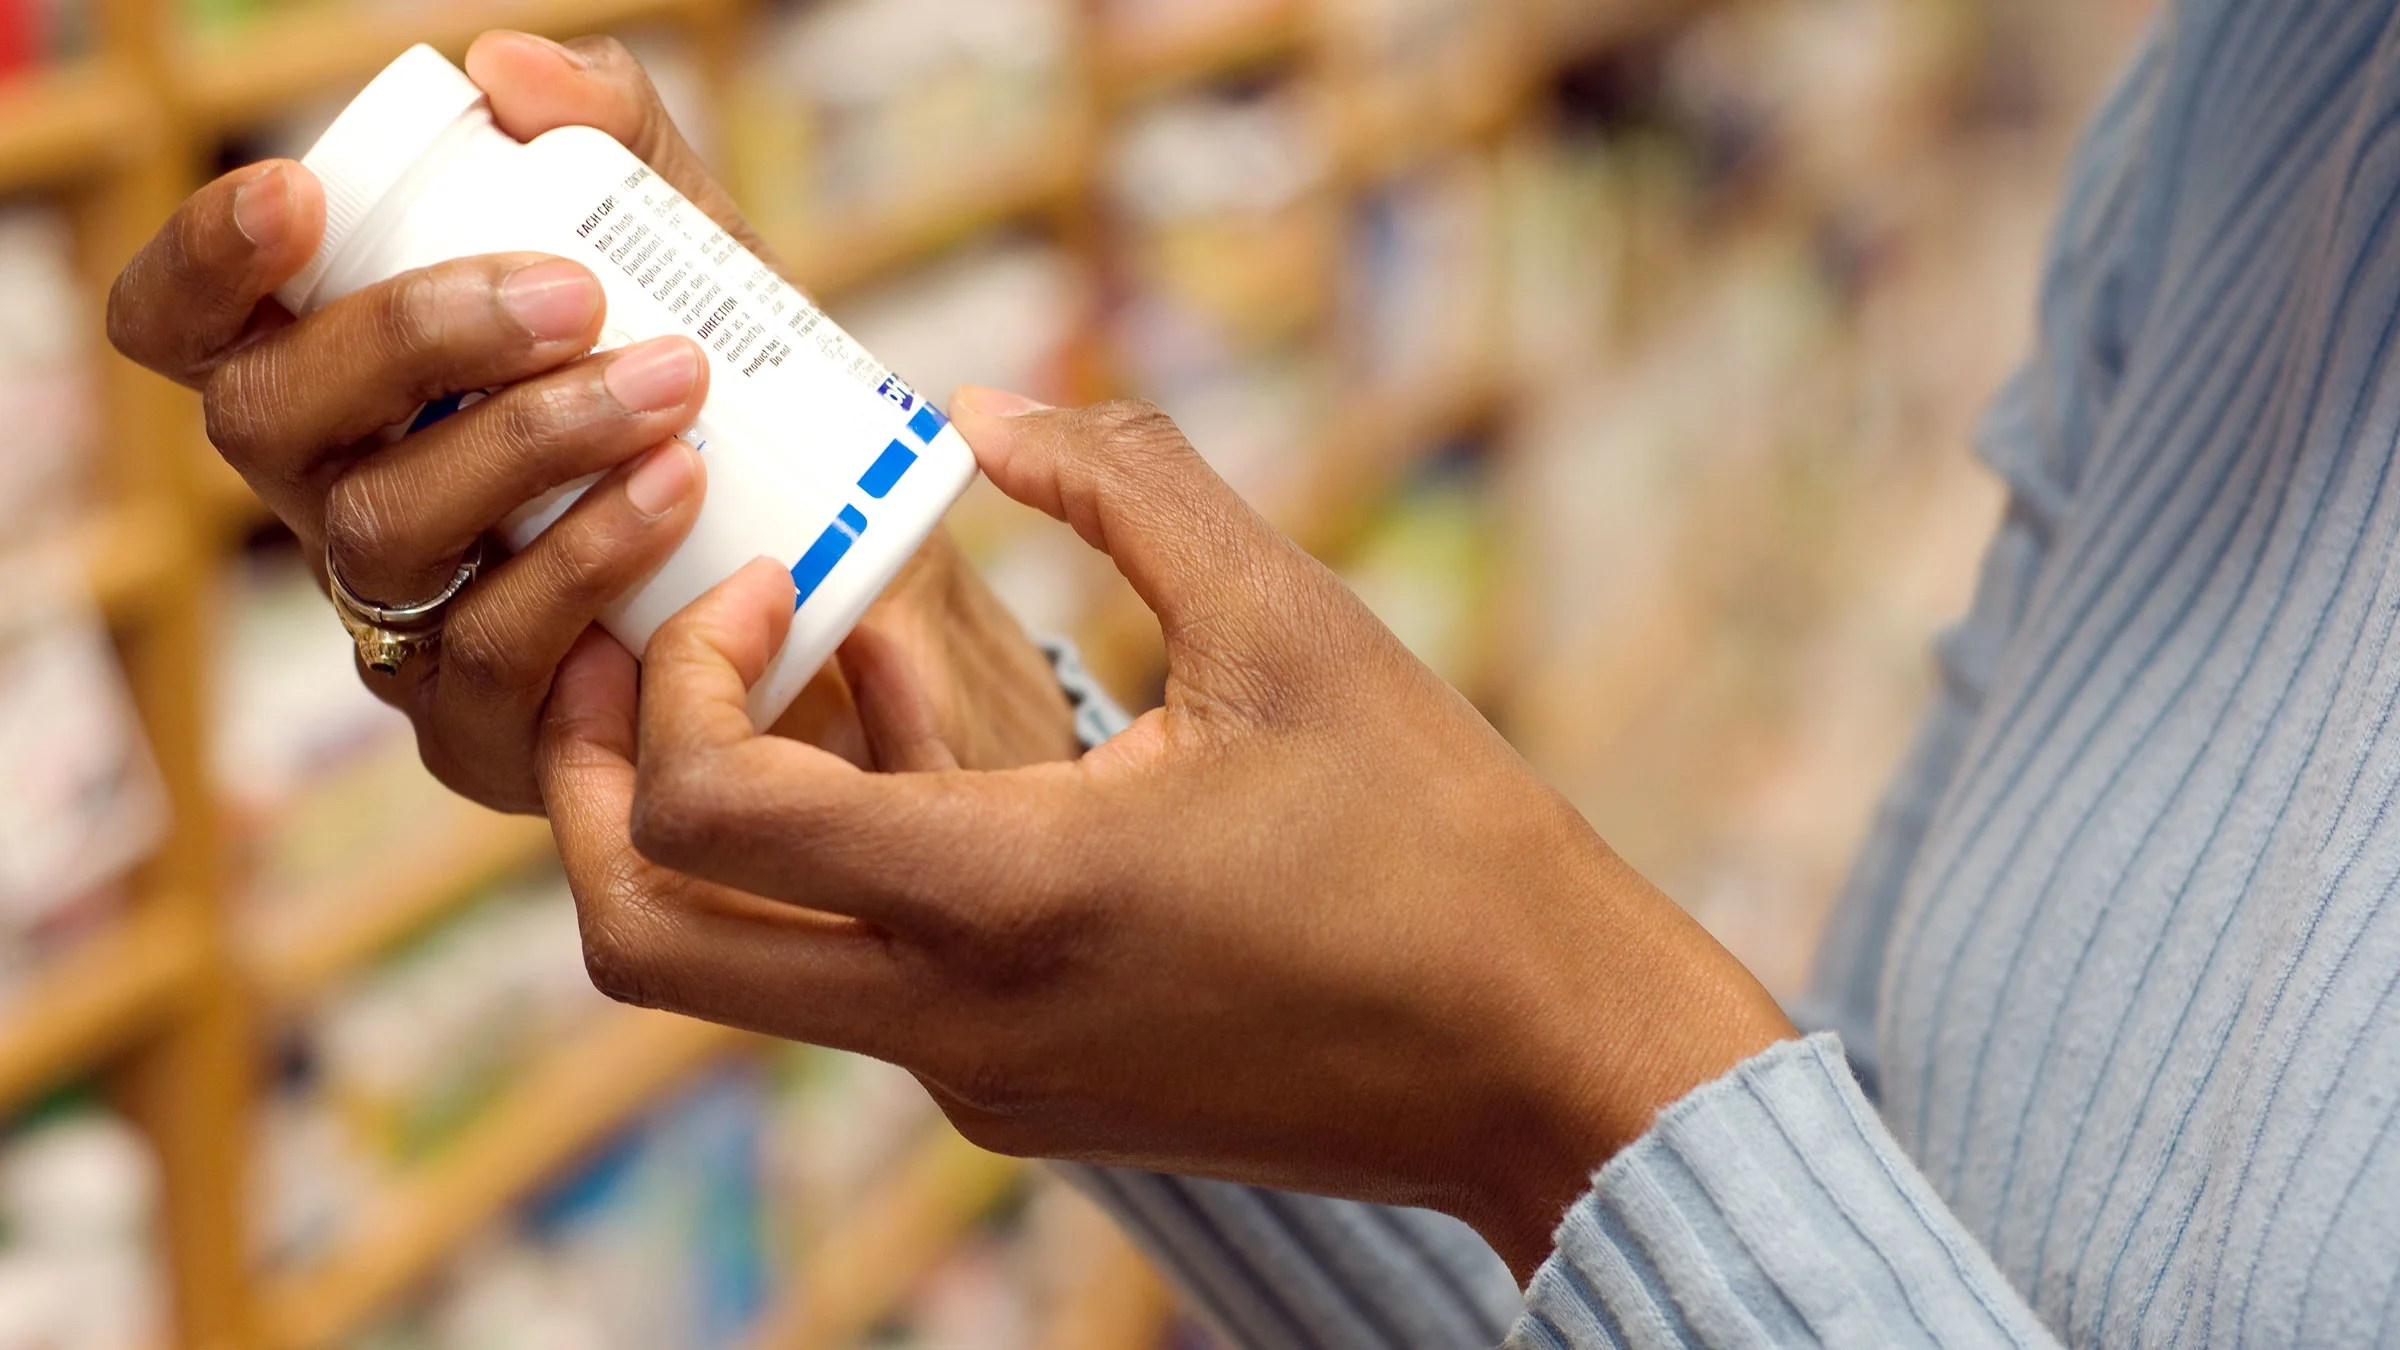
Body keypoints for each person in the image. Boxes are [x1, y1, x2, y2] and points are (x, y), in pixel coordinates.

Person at [107, 4, 2400, 1343]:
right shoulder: (2270, 100)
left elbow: (1693, 1181)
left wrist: (1562, 1062)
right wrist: (883, 668)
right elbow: (1877, 1218)